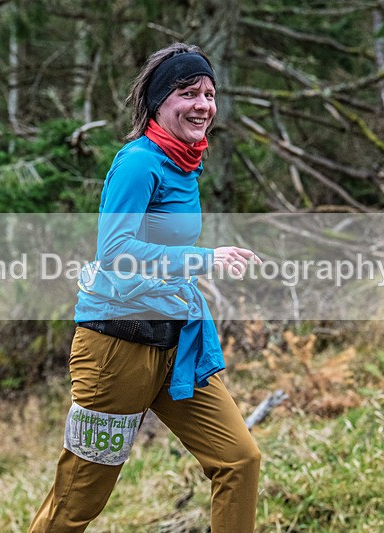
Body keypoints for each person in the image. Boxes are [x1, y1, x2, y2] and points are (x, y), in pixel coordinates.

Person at [28, 43, 262, 532]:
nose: (203, 104)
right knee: (77, 502)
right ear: (159, 103)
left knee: (238, 460)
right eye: (187, 92)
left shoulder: (186, 163)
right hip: (116, 347)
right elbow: (115, 251)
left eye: (209, 94)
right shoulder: (138, 162)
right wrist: (205, 260)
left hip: (178, 344)